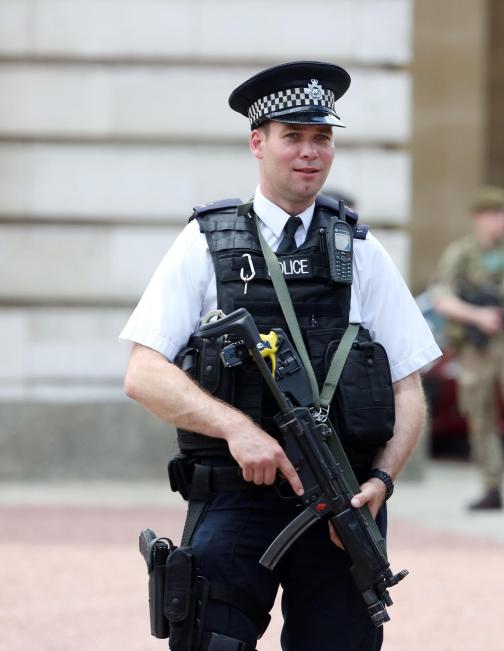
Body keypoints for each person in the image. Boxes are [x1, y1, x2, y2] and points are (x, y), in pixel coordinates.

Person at [121, 61, 441, 651]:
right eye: (292, 136)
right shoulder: (205, 244)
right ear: (257, 142)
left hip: (344, 504)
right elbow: (143, 374)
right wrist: (237, 430)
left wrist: (381, 481)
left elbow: (407, 382)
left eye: (322, 138)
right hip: (237, 498)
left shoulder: (361, 252)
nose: (310, 152)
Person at [431, 187, 504, 511]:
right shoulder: (461, 253)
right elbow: (442, 299)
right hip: (476, 347)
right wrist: (477, 316)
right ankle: (491, 486)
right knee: (480, 416)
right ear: (479, 218)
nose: (503, 220)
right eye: (496, 214)